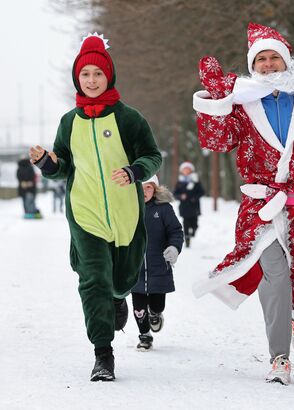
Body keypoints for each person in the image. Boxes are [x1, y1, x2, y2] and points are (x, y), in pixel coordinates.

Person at [192, 23, 294, 385]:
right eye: (262, 60)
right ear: (254, 66)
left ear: (286, 60)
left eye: (274, 58)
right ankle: (279, 358)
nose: (268, 65)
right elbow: (218, 141)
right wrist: (214, 98)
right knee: (276, 275)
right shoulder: (243, 104)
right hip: (260, 208)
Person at [29, 33, 161, 381]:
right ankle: (103, 354)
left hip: (125, 214)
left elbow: (152, 156)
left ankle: (119, 297)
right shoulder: (68, 122)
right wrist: (46, 162)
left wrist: (135, 171)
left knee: (121, 280)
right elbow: (62, 168)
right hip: (85, 213)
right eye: (85, 74)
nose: (91, 80)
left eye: (97, 74)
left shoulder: (129, 118)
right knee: (93, 281)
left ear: (108, 76)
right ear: (78, 78)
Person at [131, 174, 183, 351]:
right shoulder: (127, 208)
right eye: (140, 186)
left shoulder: (163, 209)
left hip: (159, 266)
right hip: (134, 268)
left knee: (157, 303)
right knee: (138, 306)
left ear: (155, 190)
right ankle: (144, 336)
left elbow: (176, 231)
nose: (144, 191)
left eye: (148, 187)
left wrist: (174, 247)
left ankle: (155, 313)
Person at [173, 161, 204, 247]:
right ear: (182, 171)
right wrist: (180, 196)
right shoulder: (180, 181)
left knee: (194, 223)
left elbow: (201, 192)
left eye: (188, 169)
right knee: (186, 224)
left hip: (194, 207)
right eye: (184, 169)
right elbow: (175, 193)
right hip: (184, 207)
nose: (186, 171)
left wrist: (194, 197)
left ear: (191, 170)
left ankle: (193, 231)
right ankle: (187, 240)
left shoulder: (196, 180)